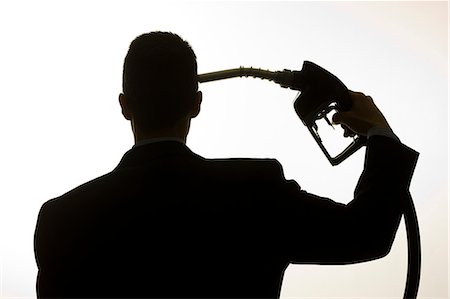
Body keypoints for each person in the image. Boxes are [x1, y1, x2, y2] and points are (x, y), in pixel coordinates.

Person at [34, 31, 419, 298]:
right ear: (197, 104)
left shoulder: (60, 220)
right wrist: (380, 135)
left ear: (124, 105)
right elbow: (367, 233)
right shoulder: (254, 190)